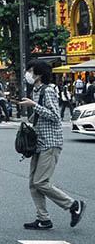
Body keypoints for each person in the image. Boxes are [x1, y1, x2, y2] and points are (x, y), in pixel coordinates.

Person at [18, 60, 86, 230]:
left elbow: (56, 116)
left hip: (50, 142)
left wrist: (34, 106)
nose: (28, 74)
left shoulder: (48, 91)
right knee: (33, 183)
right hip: (39, 142)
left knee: (40, 181)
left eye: (31, 71)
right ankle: (43, 219)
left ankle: (73, 205)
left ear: (39, 74)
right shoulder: (37, 90)